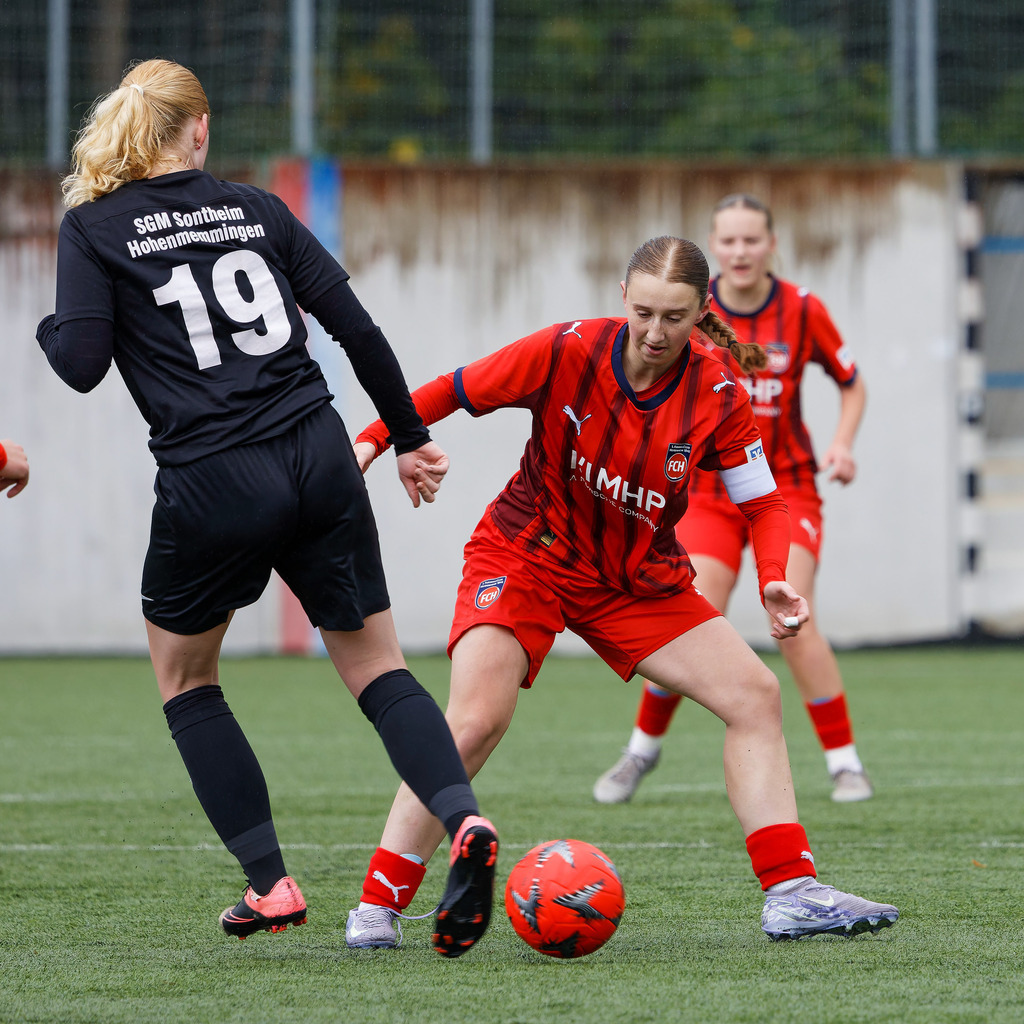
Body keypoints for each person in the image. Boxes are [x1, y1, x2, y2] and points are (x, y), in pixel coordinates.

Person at [35, 58, 497, 955]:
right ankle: (463, 816)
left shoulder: (93, 225)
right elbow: (356, 330)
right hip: (319, 453)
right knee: (379, 668)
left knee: (187, 680)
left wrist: (53, 325)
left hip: (213, 478)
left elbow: (81, 364)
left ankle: (271, 883)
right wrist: (408, 438)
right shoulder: (257, 208)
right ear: (199, 129)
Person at [344, 234, 898, 948]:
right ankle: (377, 907)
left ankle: (791, 893)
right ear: (623, 298)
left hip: (633, 579)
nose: (655, 332)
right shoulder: (567, 349)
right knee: (475, 721)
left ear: (702, 311)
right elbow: (449, 390)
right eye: (643, 313)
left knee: (755, 696)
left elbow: (764, 502)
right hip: (527, 554)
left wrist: (772, 578)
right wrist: (374, 441)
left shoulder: (719, 390)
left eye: (674, 317)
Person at [594, 194, 872, 807]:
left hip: (787, 487)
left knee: (795, 617)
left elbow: (853, 385)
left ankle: (845, 763)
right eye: (729, 240)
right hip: (708, 492)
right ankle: (641, 750)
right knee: (691, 617)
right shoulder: (687, 308)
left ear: (772, 244)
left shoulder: (803, 309)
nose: (740, 251)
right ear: (714, 247)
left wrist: (842, 444)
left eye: (752, 240)